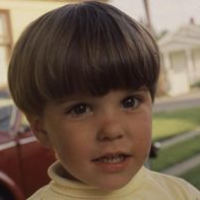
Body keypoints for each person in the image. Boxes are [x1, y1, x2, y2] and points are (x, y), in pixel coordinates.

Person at [8, 1, 200, 199]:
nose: (112, 130)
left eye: (129, 102)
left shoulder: (181, 194)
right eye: (80, 109)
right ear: (41, 128)